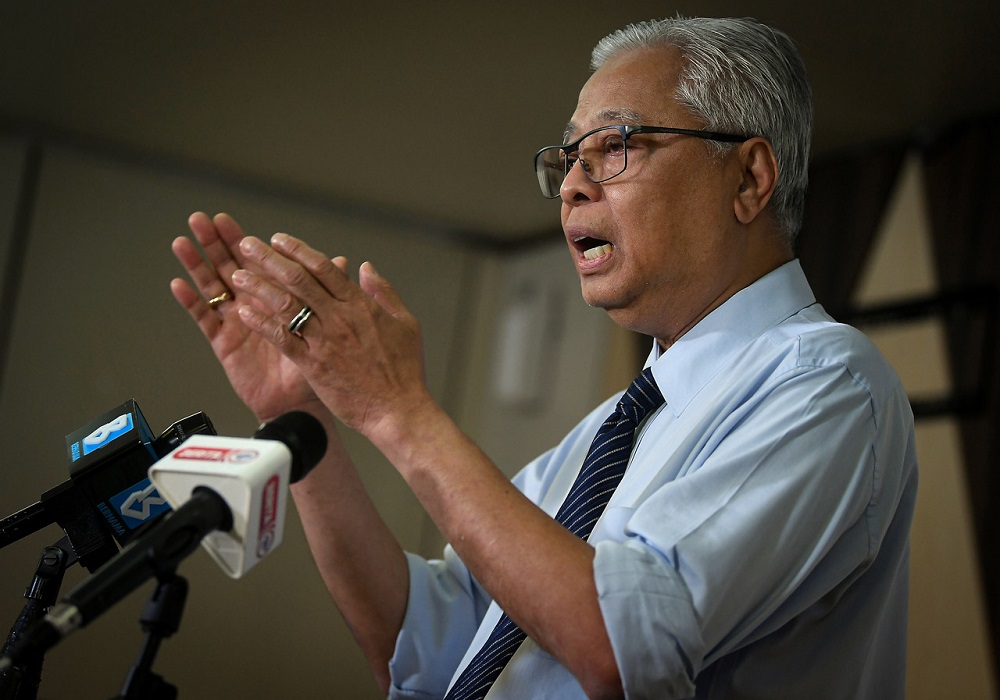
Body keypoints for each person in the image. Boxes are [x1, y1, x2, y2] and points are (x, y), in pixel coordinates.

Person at [170, 16, 917, 700]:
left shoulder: (827, 383)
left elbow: (621, 649)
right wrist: (302, 420)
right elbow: (422, 647)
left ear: (749, 178)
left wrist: (400, 411)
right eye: (567, 158)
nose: (571, 187)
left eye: (616, 147)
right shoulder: (607, 436)